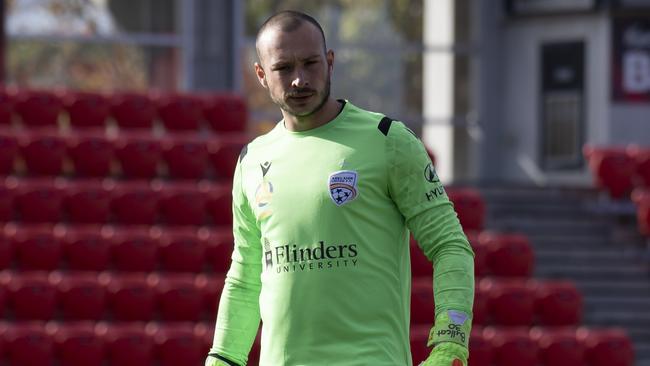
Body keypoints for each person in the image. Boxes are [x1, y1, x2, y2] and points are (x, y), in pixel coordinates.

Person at [205, 10, 475, 366]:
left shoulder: (387, 141)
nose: (300, 80)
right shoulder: (252, 161)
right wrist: (223, 358)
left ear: (330, 62)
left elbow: (450, 247)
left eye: (311, 63)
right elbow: (245, 275)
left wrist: (450, 342)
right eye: (284, 68)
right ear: (261, 75)